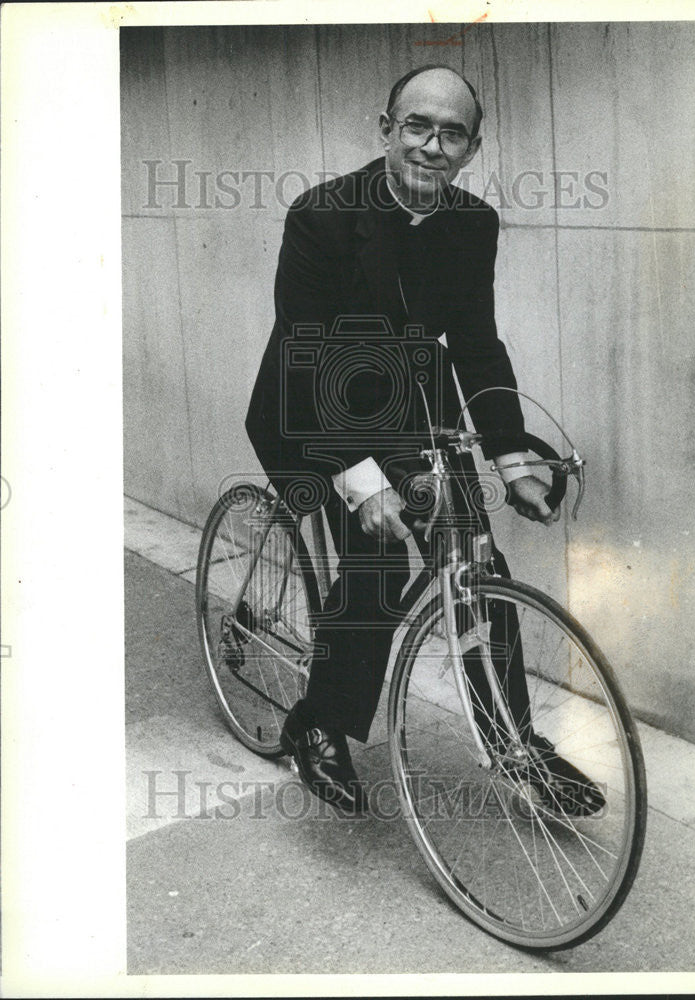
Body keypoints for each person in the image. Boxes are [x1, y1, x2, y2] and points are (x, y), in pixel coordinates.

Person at [246, 65, 603, 816]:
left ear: (471, 148)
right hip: (307, 408)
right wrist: (360, 476)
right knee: (375, 559)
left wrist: (510, 455)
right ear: (386, 130)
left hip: (406, 402)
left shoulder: (472, 223)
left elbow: (474, 342)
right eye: (417, 126)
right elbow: (310, 354)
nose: (431, 146)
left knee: (474, 554)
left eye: (451, 134)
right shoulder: (322, 215)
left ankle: (511, 743)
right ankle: (319, 725)